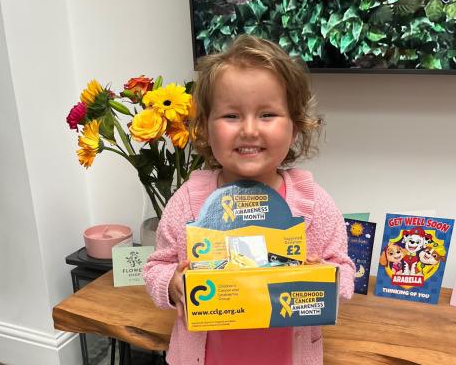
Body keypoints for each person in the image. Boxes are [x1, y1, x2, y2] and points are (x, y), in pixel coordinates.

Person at [143, 34, 355, 365]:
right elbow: (157, 266)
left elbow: (344, 271)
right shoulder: (188, 201)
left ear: (295, 128)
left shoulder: (314, 204)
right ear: (205, 128)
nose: (250, 130)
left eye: (267, 114)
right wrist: (173, 283)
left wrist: (321, 279)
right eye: (231, 116)